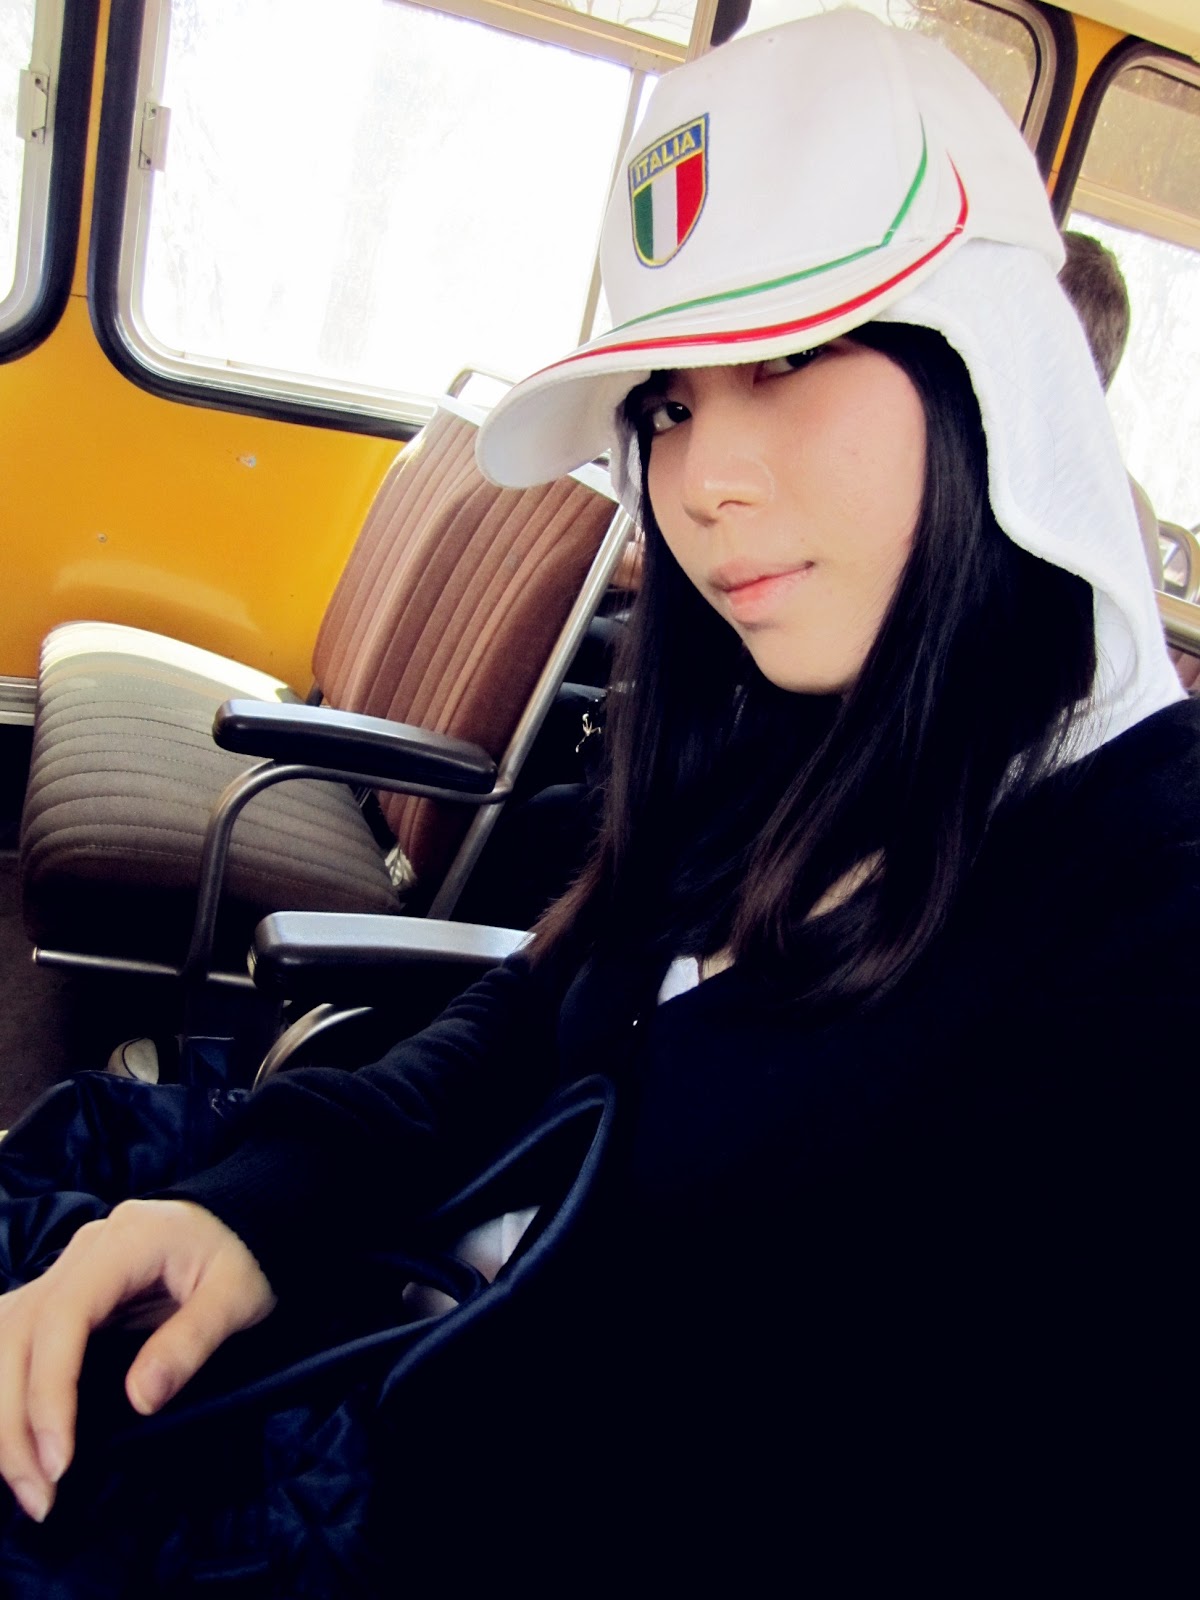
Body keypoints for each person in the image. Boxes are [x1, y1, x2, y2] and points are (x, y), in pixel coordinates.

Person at [1, 10, 1196, 1582]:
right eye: (670, 402)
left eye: (785, 360)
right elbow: (533, 1018)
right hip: (400, 1340)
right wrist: (255, 1206)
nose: (701, 479)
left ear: (995, 371)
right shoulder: (792, 734)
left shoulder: (1144, 933)